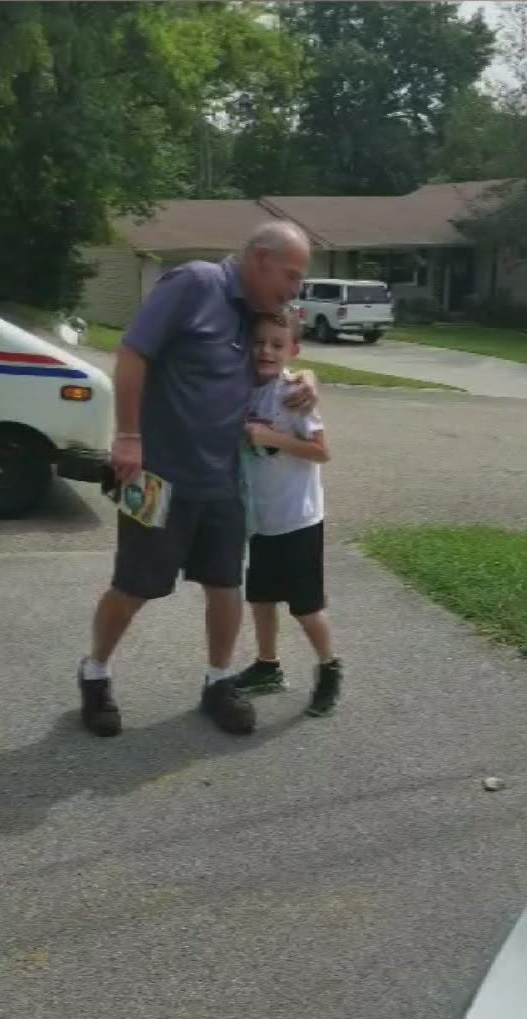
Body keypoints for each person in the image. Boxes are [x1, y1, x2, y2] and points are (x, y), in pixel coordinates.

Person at [78, 220, 315, 738]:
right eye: (292, 275)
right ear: (260, 258)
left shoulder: (257, 317)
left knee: (226, 585)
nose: (296, 289)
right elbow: (133, 352)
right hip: (152, 476)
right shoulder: (193, 283)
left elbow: (280, 360)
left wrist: (307, 381)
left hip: (222, 482)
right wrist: (128, 438)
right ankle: (95, 672)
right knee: (134, 586)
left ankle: (218, 681)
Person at [230, 308, 343, 717]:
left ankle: (329, 668)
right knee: (260, 598)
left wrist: (272, 436)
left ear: (292, 350)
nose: (265, 350)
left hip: (298, 518)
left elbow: (322, 452)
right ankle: (267, 666)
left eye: (277, 344)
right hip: (260, 519)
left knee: (305, 606)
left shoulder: (294, 393)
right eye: (258, 342)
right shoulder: (243, 389)